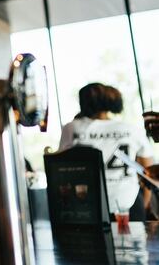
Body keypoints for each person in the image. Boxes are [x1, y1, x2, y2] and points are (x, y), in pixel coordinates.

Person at [59, 83, 154, 219]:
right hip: (128, 203)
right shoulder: (132, 130)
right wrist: (144, 204)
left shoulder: (72, 128)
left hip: (88, 205)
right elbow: (148, 173)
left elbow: (62, 168)